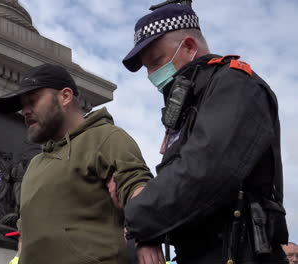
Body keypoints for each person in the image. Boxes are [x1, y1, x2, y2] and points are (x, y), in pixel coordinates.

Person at [121, 3, 289, 264]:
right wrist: (145, 235)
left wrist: (136, 219)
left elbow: (203, 170)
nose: (152, 75)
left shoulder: (235, 84)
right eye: (147, 68)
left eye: (156, 61)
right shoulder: (190, 104)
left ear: (188, 47)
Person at [0, 64, 160, 264]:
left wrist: (148, 237)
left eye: (33, 101)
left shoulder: (106, 138)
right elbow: (26, 233)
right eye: (23, 105)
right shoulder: (35, 164)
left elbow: (137, 185)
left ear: (65, 96)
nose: (25, 111)